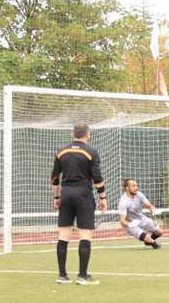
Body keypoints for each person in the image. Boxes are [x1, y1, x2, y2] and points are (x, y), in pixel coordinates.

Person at [51, 122, 107, 286]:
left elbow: (55, 178)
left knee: (63, 235)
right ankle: (82, 275)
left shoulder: (61, 152)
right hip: (83, 196)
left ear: (72, 134)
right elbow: (97, 178)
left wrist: (57, 197)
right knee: (85, 235)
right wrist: (103, 198)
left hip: (66, 195)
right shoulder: (91, 152)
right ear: (88, 134)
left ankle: (62, 275)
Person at [118, 178, 163, 249]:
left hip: (141, 219)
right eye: (133, 186)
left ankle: (148, 241)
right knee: (148, 238)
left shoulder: (139, 195)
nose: (136, 188)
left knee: (160, 232)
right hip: (130, 224)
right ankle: (153, 242)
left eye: (136, 185)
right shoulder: (123, 202)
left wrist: (154, 210)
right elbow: (122, 221)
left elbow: (149, 206)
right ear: (127, 188)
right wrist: (130, 224)